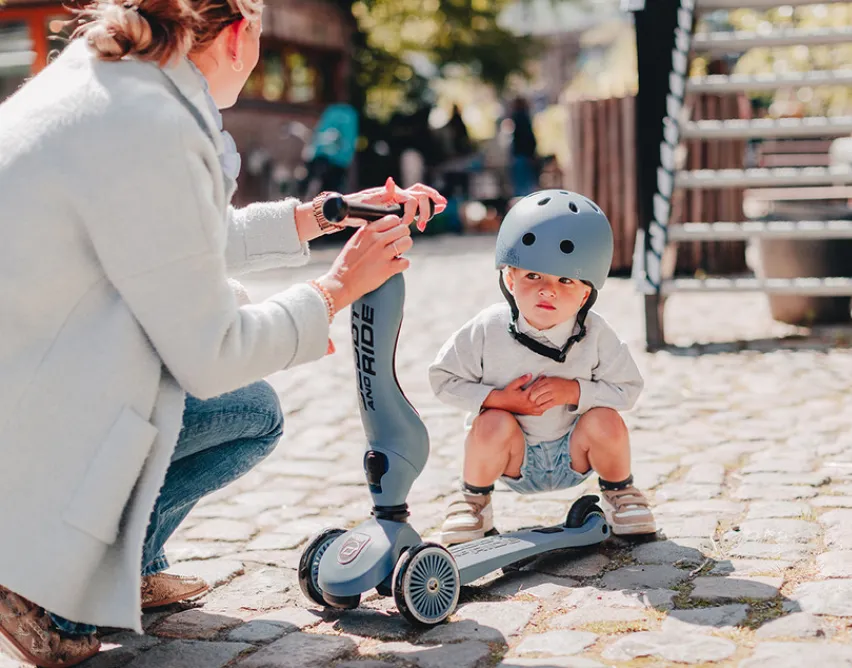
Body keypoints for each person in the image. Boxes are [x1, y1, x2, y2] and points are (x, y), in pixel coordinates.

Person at [0, 0, 446, 663]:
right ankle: (42, 584)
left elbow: (181, 240)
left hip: (26, 376)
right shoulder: (157, 124)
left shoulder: (106, 84)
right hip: (29, 413)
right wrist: (335, 289)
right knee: (246, 409)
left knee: (241, 408)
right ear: (240, 36)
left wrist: (326, 215)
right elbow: (212, 353)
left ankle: (124, 568)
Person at [428, 190, 655, 546]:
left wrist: (575, 391)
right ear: (510, 279)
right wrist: (499, 399)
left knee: (606, 420)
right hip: (513, 456)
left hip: (574, 452)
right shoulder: (487, 328)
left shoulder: (595, 332)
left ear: (585, 294)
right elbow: (442, 379)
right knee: (490, 423)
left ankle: (621, 493)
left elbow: (629, 388)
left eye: (565, 280)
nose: (548, 291)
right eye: (534, 276)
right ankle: (474, 502)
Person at [509, 96, 538, 198]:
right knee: (525, 183)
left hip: (521, 155)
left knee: (522, 184)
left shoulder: (519, 117)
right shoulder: (522, 117)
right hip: (523, 155)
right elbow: (528, 137)